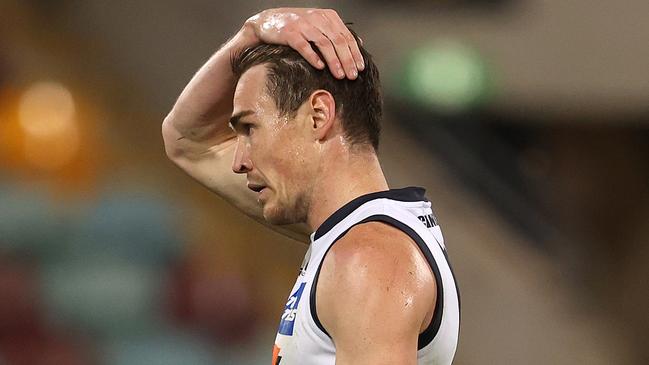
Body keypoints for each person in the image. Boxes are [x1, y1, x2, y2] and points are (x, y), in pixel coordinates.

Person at [162, 8, 459, 365]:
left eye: (250, 128)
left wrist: (252, 35)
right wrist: (249, 35)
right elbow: (186, 141)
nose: (239, 160)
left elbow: (190, 141)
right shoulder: (353, 235)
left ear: (318, 115)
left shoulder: (368, 260)